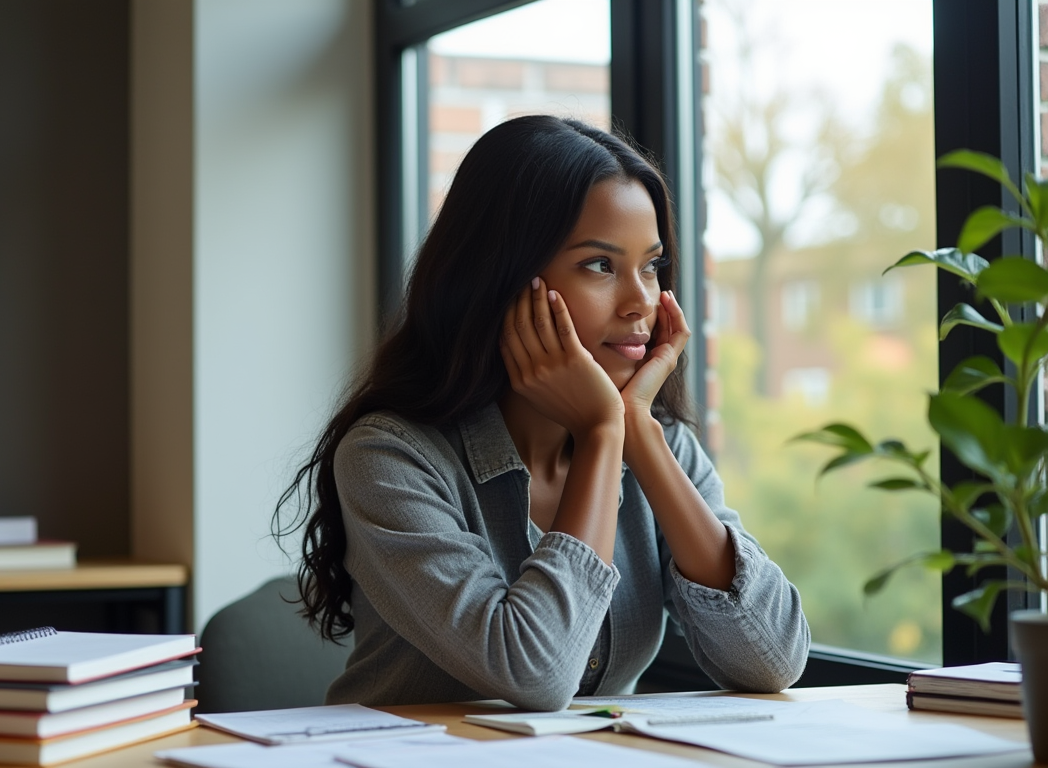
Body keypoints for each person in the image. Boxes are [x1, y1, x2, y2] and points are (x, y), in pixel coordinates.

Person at [274, 116, 809, 711]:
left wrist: (643, 441)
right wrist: (604, 432)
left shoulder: (660, 442)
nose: (641, 302)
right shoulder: (390, 458)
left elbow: (773, 661)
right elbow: (533, 672)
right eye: (600, 265)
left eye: (651, 265)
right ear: (501, 278)